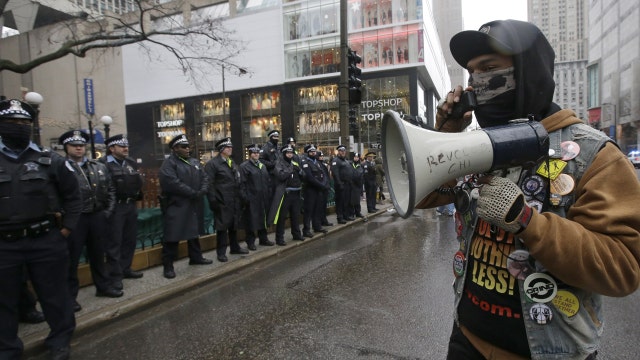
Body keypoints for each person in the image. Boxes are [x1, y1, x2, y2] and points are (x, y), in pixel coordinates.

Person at [417, 20, 640, 359]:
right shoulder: (476, 147)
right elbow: (423, 196)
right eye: (472, 73)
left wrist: (526, 220)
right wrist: (445, 136)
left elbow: (622, 269)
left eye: (489, 69)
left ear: (527, 72)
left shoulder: (596, 155)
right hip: (466, 338)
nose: (477, 82)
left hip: (549, 351)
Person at [0, 99, 82, 360]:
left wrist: (67, 228)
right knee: (4, 301)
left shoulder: (50, 160)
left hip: (45, 240)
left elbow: (73, 196)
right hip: (4, 244)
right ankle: (7, 348)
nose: (18, 127)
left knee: (55, 295)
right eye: (12, 122)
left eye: (24, 122)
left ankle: (59, 340)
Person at [59, 130, 122, 310]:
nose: (79, 148)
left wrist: (106, 212)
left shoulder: (98, 166)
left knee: (98, 254)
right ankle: (69, 297)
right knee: (72, 259)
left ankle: (103, 287)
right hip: (75, 219)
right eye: (74, 145)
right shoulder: (61, 167)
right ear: (66, 147)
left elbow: (110, 190)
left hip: (97, 216)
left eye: (81, 145)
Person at [158, 134, 212, 278]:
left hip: (194, 203)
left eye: (188, 146)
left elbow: (205, 177)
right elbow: (171, 183)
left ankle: (196, 257)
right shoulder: (169, 163)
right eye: (184, 147)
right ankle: (168, 265)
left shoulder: (194, 162)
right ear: (175, 148)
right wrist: (192, 192)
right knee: (173, 235)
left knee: (193, 232)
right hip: (177, 204)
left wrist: (202, 190)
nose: (187, 149)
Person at [99, 134, 144, 290]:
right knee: (114, 242)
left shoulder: (130, 163)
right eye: (121, 146)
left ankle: (126, 268)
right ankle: (115, 275)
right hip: (115, 207)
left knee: (129, 240)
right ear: (112, 148)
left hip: (130, 205)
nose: (126, 148)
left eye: (126, 146)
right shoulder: (103, 164)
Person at [205, 137, 248, 262]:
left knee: (233, 225)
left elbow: (238, 181)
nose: (230, 149)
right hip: (222, 200)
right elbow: (209, 184)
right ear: (221, 149)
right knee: (222, 228)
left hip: (234, 200)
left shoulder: (231, 162)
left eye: (231, 147)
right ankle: (221, 252)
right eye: (228, 147)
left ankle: (234, 247)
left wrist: (241, 197)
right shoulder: (213, 164)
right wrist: (213, 200)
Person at [239, 144, 274, 250]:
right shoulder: (244, 166)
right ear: (250, 154)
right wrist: (245, 198)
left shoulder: (262, 166)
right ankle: (250, 242)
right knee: (251, 221)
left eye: (258, 153)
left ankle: (263, 239)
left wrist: (268, 193)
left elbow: (267, 181)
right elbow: (242, 184)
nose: (256, 154)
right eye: (254, 153)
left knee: (262, 219)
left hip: (263, 198)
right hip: (252, 198)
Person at [268, 144, 304, 245]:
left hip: (296, 192)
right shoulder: (279, 163)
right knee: (282, 217)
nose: (290, 154)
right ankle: (279, 238)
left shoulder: (295, 163)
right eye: (288, 153)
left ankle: (296, 234)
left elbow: (303, 175)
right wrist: (290, 171)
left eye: (291, 152)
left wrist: (300, 171)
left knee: (295, 215)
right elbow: (280, 176)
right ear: (284, 153)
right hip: (286, 193)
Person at [300, 144, 328, 238]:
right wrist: (321, 185)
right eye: (311, 152)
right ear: (308, 153)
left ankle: (317, 226)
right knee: (309, 210)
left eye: (314, 151)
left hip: (319, 189)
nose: (313, 153)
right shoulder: (305, 162)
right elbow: (309, 177)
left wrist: (324, 184)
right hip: (310, 189)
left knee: (318, 208)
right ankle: (306, 230)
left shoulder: (317, 162)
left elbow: (323, 174)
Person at [331, 145, 352, 224]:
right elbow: (335, 174)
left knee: (346, 201)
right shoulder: (336, 161)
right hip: (341, 184)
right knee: (340, 201)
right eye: (341, 151)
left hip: (347, 184)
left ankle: (346, 215)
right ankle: (340, 217)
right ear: (338, 152)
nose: (343, 152)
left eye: (344, 151)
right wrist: (339, 184)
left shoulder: (345, 161)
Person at [317, 151, 333, 227]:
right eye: (320, 156)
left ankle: (324, 220)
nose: (322, 157)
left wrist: (328, 185)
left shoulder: (323, 165)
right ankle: (320, 221)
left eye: (322, 156)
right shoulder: (317, 164)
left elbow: (327, 176)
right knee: (319, 206)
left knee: (324, 206)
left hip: (325, 187)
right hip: (320, 188)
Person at [348, 152, 364, 218]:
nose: (356, 158)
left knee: (357, 200)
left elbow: (361, 175)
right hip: (351, 184)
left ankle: (358, 212)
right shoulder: (350, 164)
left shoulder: (360, 165)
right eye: (355, 157)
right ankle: (351, 213)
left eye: (357, 157)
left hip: (358, 185)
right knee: (351, 200)